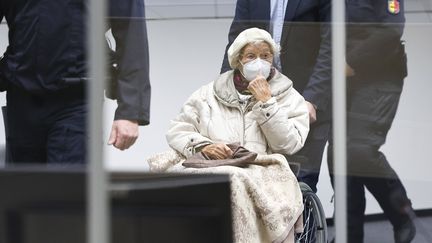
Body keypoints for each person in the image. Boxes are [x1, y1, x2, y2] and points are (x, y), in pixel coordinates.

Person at [148, 28, 309, 243]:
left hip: (262, 168)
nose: (259, 61)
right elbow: (179, 129)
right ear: (238, 61)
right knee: (173, 182)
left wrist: (267, 103)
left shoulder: (290, 97)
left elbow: (288, 144)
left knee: (232, 180)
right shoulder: (207, 94)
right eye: (251, 56)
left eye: (266, 55)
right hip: (210, 164)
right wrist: (203, 146)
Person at [0, 0, 151, 164]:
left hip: (78, 100)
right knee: (24, 187)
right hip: (22, 99)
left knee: (69, 187)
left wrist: (130, 111)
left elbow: (130, 29)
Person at [327, 0, 416, 242]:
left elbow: (391, 30)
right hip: (342, 80)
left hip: (379, 75)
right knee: (339, 156)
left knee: (359, 151)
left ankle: (401, 215)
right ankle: (349, 235)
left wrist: (350, 61)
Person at [221, 0, 332, 192]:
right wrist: (223, 92)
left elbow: (331, 48)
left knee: (299, 184)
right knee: (260, 184)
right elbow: (236, 42)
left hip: (306, 101)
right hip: (260, 100)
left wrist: (313, 99)